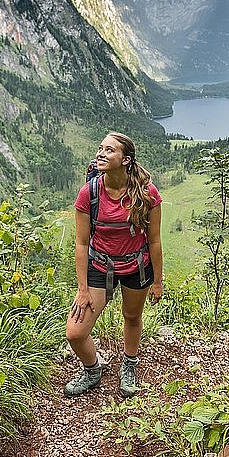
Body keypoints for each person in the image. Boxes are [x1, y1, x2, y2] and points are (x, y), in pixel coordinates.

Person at [65, 131, 163, 398]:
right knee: (75, 332)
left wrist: (157, 281)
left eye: (109, 150)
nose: (101, 153)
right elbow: (81, 244)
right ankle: (93, 369)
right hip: (99, 267)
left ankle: (129, 365)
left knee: (132, 317)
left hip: (137, 266)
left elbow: (154, 240)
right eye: (100, 148)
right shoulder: (90, 192)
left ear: (126, 159)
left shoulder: (146, 193)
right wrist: (83, 289)